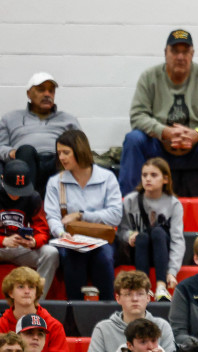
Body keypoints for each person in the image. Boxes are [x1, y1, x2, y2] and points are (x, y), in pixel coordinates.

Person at [120, 29, 198, 198]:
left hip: (196, 147)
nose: (180, 57)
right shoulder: (149, 77)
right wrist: (164, 132)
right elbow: (138, 115)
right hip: (159, 146)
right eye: (175, 51)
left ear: (192, 54)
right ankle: (129, 208)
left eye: (185, 52)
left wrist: (197, 134)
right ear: (165, 53)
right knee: (133, 139)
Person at [44, 129, 121, 300]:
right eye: (59, 153)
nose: (61, 158)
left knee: (103, 259)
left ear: (80, 150)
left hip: (101, 239)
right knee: (74, 260)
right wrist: (62, 234)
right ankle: (73, 314)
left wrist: (81, 215)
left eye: (66, 152)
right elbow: (52, 217)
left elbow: (115, 215)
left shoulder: (107, 178)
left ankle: (109, 312)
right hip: (70, 240)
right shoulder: (56, 182)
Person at [85, 269, 176, 352]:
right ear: (118, 298)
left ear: (148, 297)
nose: (134, 299)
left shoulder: (162, 326)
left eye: (140, 294)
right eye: (128, 294)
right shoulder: (103, 329)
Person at [0, 72, 80, 195]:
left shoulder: (68, 119)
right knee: (26, 151)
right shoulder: (10, 118)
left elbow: (81, 148)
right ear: (29, 93)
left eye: (51, 91)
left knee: (65, 155)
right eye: (41, 90)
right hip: (25, 161)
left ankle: (60, 207)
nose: (47, 94)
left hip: (57, 161)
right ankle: (27, 205)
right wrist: (11, 153)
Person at [117, 158, 184, 299]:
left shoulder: (173, 204)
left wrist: (172, 271)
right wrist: (129, 236)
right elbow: (121, 230)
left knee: (158, 232)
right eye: (144, 175)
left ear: (165, 179)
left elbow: (177, 239)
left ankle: (161, 287)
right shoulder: (130, 200)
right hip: (138, 250)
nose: (148, 179)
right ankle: (143, 287)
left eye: (153, 175)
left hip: (162, 252)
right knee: (142, 237)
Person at [0, 158, 59, 288]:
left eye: (19, 191)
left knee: (51, 253)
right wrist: (3, 240)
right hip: (1, 246)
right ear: (2, 178)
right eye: (12, 190)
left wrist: (34, 242)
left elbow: (42, 229)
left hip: (21, 248)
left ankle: (36, 302)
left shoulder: (33, 197)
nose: (16, 196)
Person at [0, 266, 69, 352]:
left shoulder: (53, 326)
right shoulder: (1, 325)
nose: (27, 291)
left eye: (31, 287)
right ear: (10, 293)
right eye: (21, 287)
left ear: (37, 293)